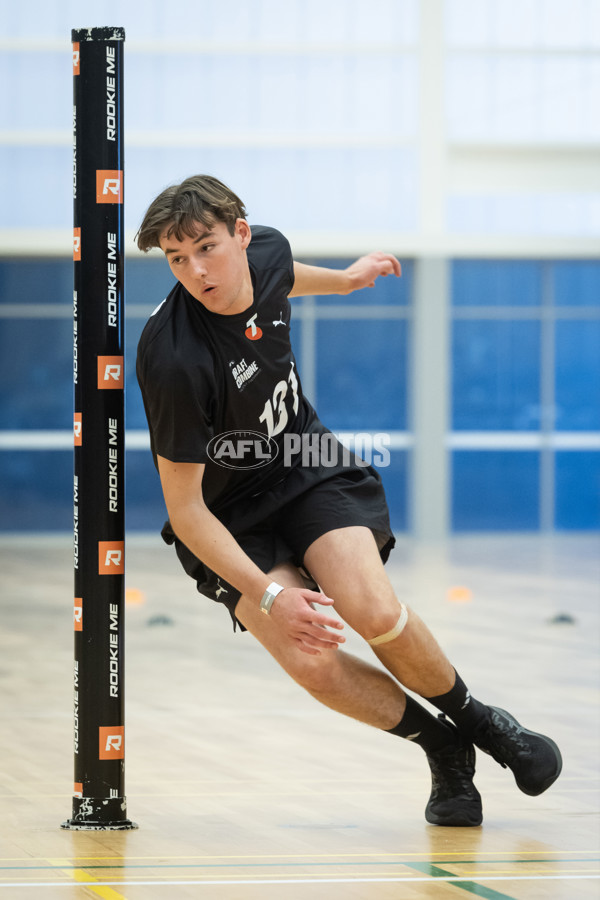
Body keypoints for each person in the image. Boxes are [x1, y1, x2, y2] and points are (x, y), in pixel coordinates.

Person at [135, 174, 562, 827]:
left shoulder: (267, 252)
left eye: (207, 248)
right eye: (176, 258)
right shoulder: (174, 360)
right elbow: (187, 511)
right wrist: (271, 595)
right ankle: (444, 746)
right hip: (228, 519)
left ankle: (486, 725)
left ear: (240, 236)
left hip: (306, 466)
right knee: (311, 658)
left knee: (369, 604)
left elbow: (286, 276)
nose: (196, 270)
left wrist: (350, 278)